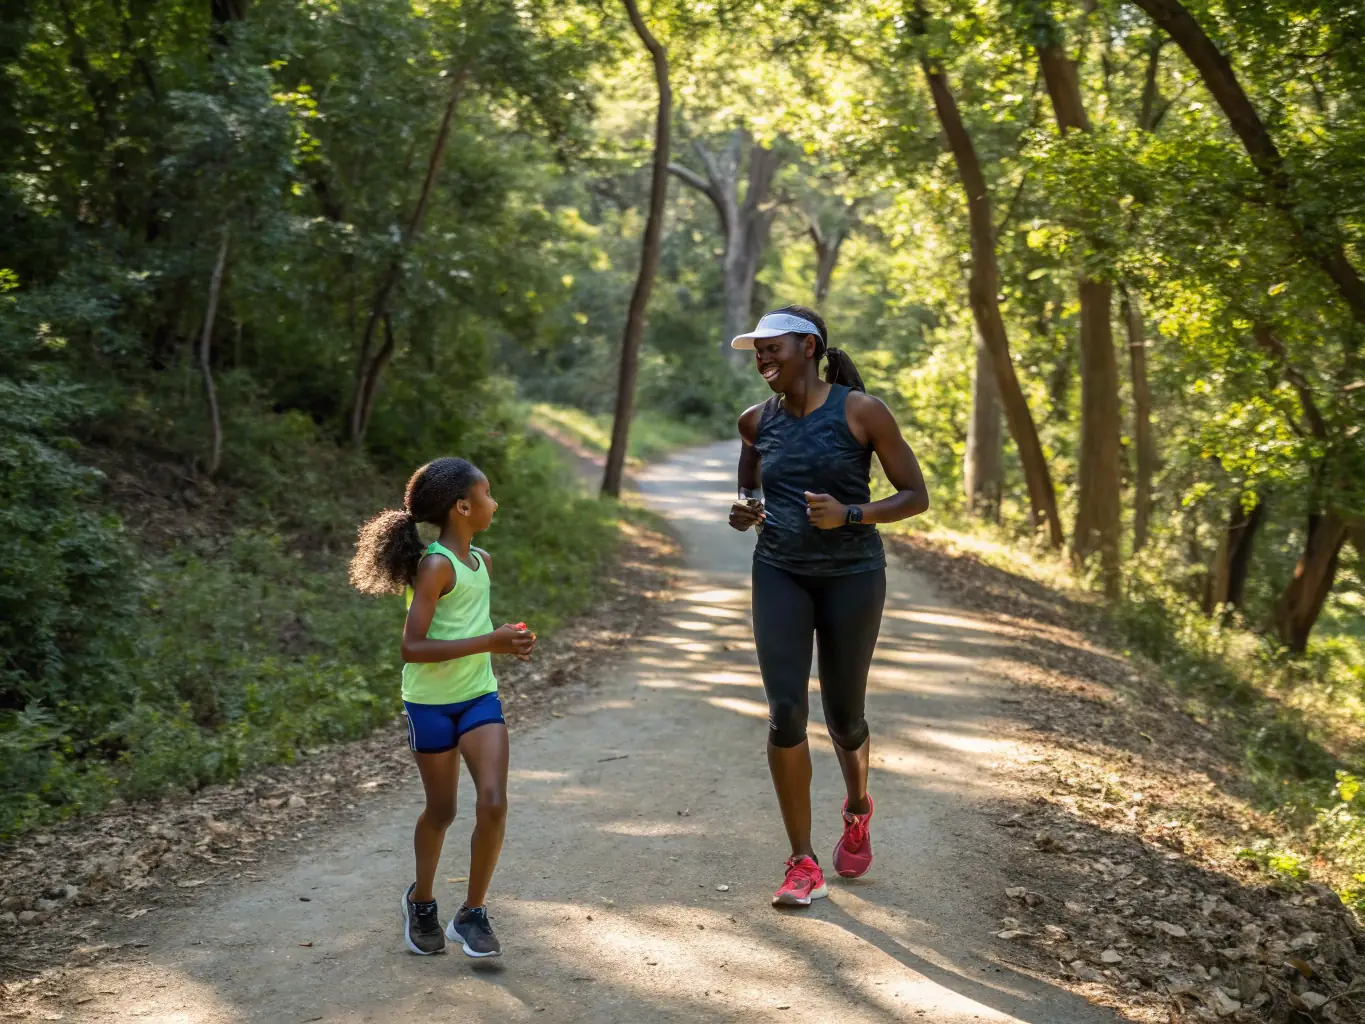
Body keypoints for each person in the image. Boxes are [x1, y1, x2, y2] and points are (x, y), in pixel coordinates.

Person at [727, 305, 929, 907]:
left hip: (853, 575)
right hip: (779, 572)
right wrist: (746, 507)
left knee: (844, 717)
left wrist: (851, 514)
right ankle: (801, 861)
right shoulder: (754, 421)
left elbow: (916, 495)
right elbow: (749, 481)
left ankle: (858, 806)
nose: (763, 357)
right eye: (756, 350)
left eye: (773, 347)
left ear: (809, 347)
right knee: (786, 712)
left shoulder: (861, 412)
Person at [350, 457, 536, 957]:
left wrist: (507, 643)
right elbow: (413, 647)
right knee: (443, 809)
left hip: (479, 695)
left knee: (493, 800)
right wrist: (488, 642)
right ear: (462, 506)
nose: (494, 502)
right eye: (489, 493)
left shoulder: (483, 562)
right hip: (431, 703)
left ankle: (472, 913)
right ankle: (423, 901)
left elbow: (474, 631)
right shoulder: (435, 565)